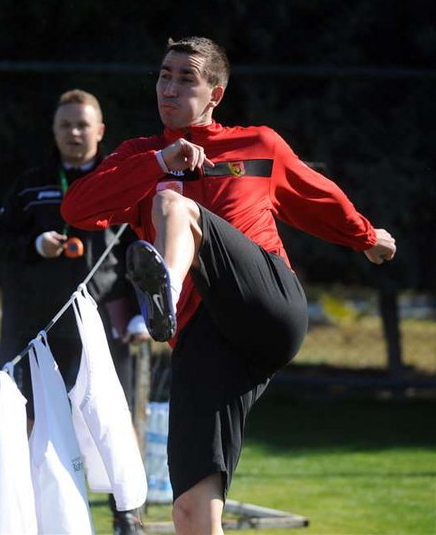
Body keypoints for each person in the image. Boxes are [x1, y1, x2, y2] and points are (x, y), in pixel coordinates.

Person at [61, 37, 396, 535]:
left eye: (186, 79)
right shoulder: (139, 156)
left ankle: (164, 291)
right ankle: (168, 299)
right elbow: (76, 210)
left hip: (268, 306)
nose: (169, 88)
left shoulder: (257, 144)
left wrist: (367, 237)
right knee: (191, 514)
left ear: (215, 93)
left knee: (175, 207)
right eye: (164, 75)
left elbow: (317, 195)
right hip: (205, 339)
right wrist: (158, 163)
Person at [0, 88, 150, 535]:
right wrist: (33, 244)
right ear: (54, 131)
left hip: (102, 324)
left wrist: (140, 311)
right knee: (31, 418)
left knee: (110, 421)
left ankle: (126, 516)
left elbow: (143, 250)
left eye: (83, 125)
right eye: (65, 125)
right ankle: (29, 512)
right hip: (36, 325)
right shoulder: (29, 184)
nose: (74, 133)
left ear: (100, 130)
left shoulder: (122, 182)